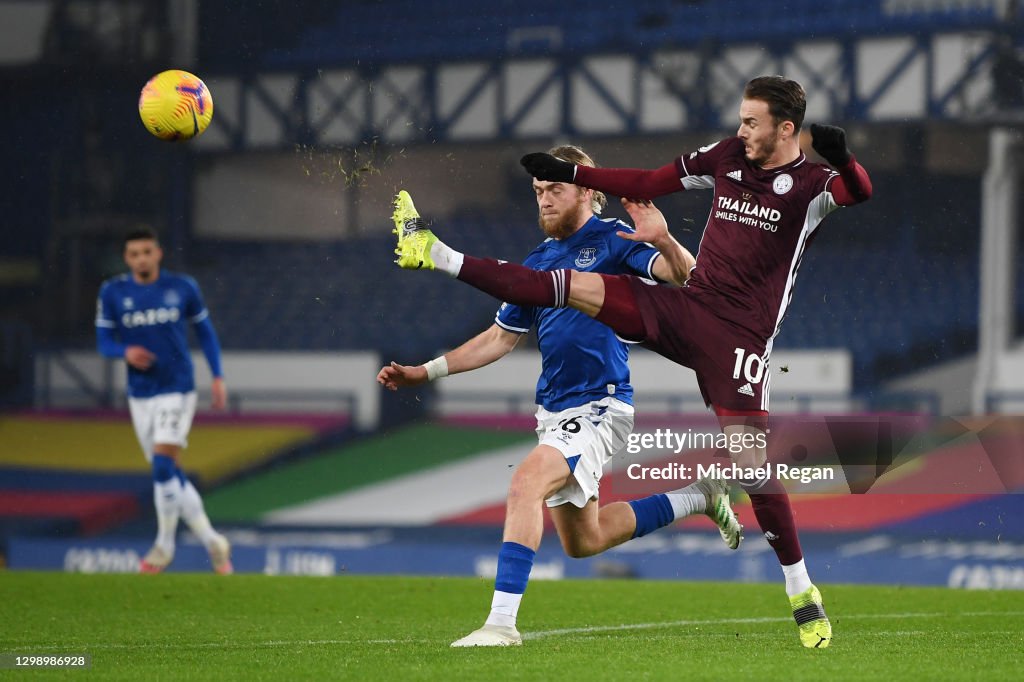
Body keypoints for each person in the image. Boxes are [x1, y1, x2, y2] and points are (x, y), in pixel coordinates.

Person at [391, 76, 873, 648]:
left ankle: (802, 593)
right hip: (687, 312)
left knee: (753, 466)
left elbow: (859, 192)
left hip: (738, 341)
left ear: (785, 128)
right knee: (564, 287)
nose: (740, 130)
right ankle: (436, 254)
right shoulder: (724, 157)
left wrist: (843, 157)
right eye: (740, 119)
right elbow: (646, 182)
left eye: (751, 121)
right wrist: (576, 173)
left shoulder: (813, 185)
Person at [381, 145, 743, 648]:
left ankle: (501, 625)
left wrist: (663, 241)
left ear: (589, 192)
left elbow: (686, 278)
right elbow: (500, 338)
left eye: (555, 189)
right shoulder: (540, 259)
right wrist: (427, 370)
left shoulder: (614, 238)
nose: (544, 201)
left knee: (524, 483)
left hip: (601, 403)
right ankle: (699, 496)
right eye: (537, 192)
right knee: (583, 541)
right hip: (554, 411)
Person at [95, 228, 233, 575]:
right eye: (134, 253)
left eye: (146, 251)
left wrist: (217, 376)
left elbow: (205, 333)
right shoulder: (113, 292)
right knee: (168, 473)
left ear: (158, 253)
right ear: (127, 259)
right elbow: (103, 343)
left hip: (177, 387)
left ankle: (163, 545)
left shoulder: (182, 287)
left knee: (160, 467)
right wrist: (124, 350)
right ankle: (214, 542)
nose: (141, 258)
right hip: (140, 394)